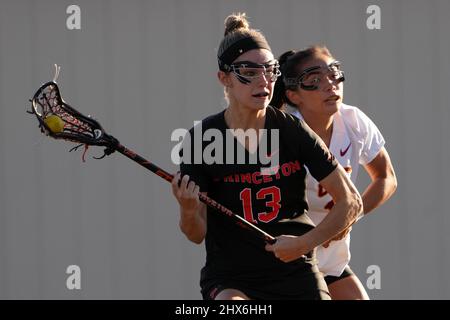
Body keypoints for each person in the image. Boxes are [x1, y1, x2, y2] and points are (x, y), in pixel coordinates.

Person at [171, 14, 363, 300]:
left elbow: (351, 202)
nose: (263, 80)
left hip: (295, 272)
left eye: (270, 70)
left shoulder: (291, 129)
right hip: (232, 278)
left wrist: (303, 244)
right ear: (224, 78)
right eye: (248, 71)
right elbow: (196, 233)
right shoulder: (202, 138)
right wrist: (187, 209)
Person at [271, 46, 397, 300]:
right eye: (314, 80)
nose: (330, 85)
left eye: (334, 74)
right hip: (289, 258)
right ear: (293, 95)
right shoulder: (281, 132)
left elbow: (386, 178)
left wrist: (350, 215)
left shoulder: (352, 120)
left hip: (331, 259)